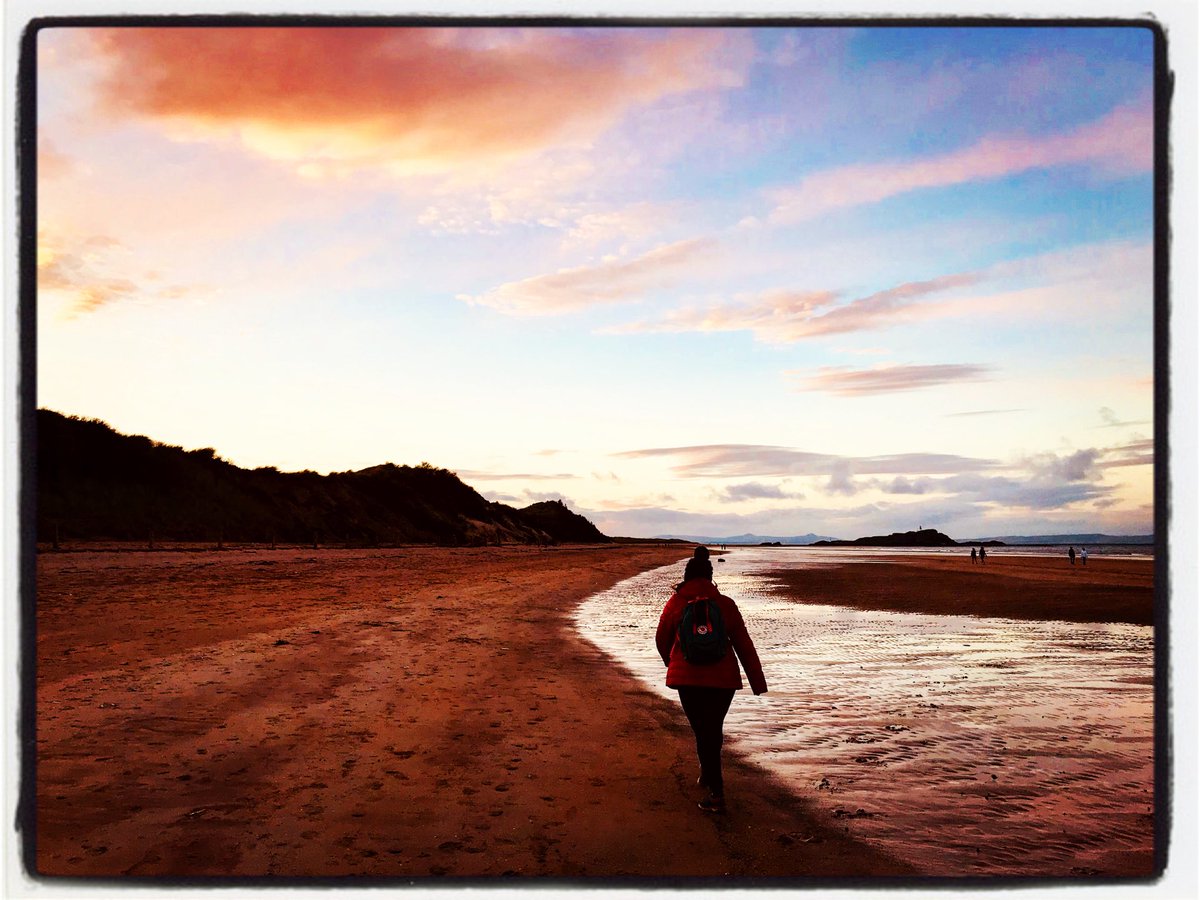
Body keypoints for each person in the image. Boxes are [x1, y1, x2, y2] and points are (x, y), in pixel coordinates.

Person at [656, 547, 767, 814]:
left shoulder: (675, 603)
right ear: (711, 576)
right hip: (723, 680)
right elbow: (744, 644)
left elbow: (661, 639)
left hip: (688, 680)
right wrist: (757, 682)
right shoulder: (725, 604)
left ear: (686, 575)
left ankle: (715, 791)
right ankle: (708, 775)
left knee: (702, 730)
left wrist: (672, 664)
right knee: (712, 729)